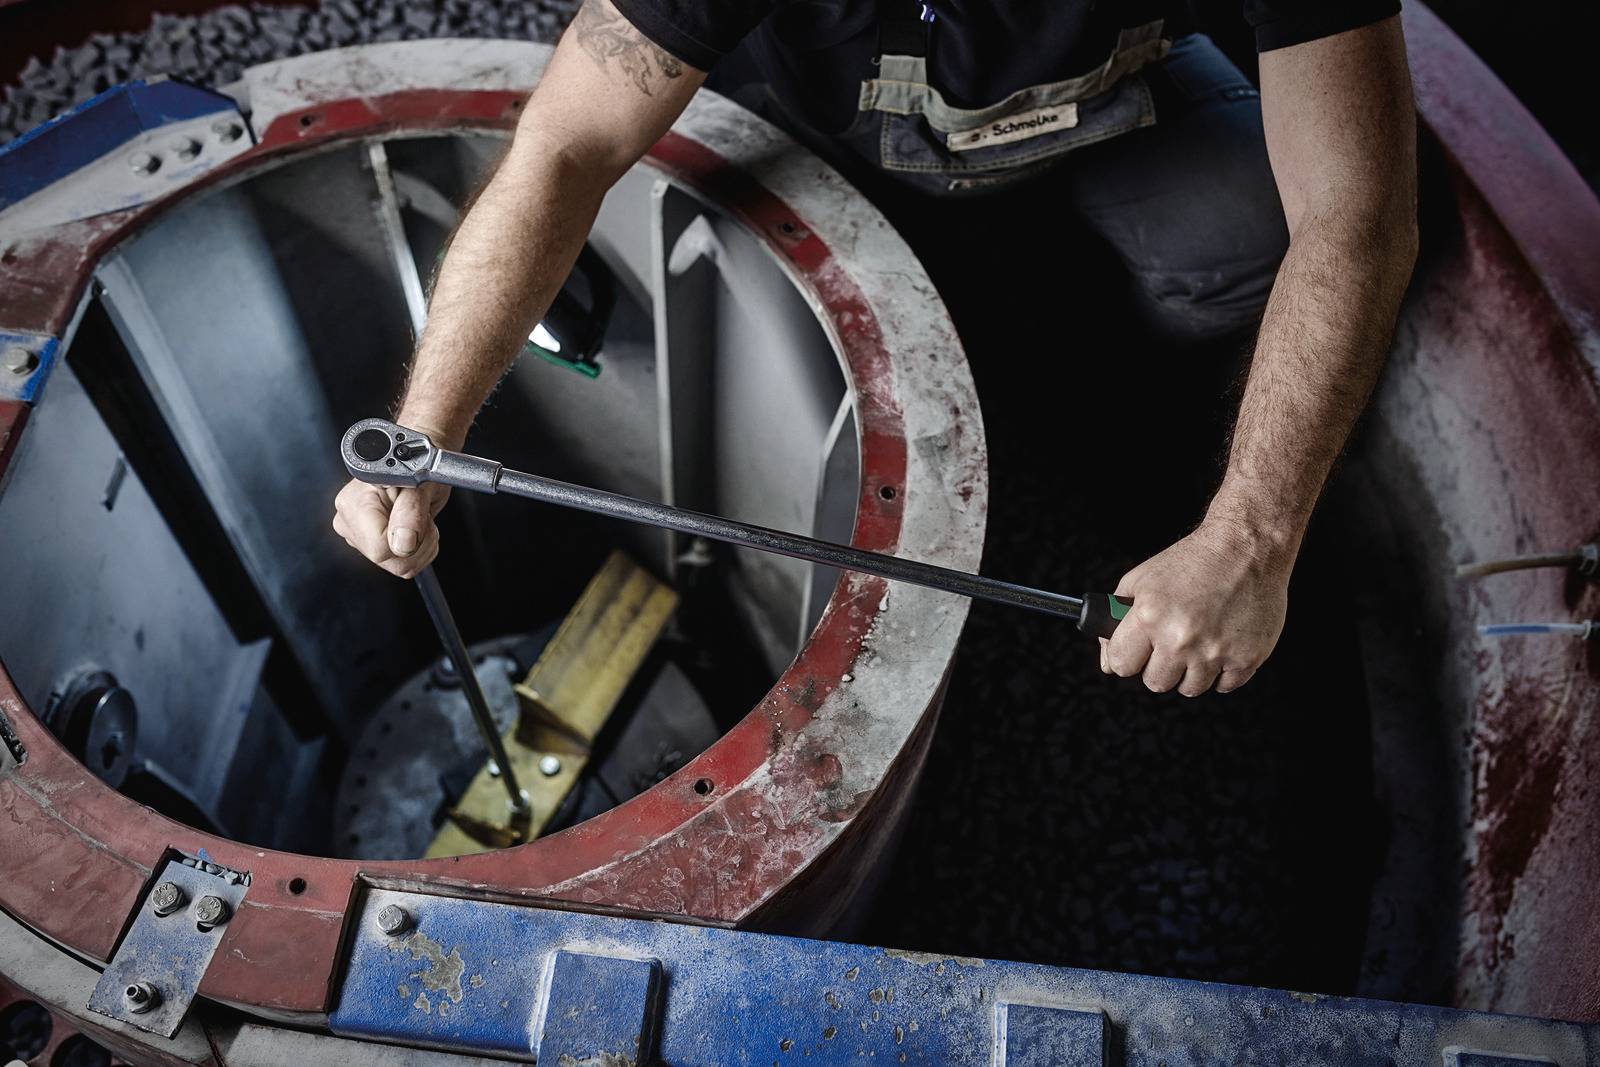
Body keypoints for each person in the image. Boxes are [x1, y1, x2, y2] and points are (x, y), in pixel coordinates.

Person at [332, 0, 1418, 697]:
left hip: (1106, 123)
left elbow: (1356, 212)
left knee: (1239, 232)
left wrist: (1248, 539)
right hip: (831, 146)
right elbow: (566, 146)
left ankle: (1129, 394)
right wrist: (427, 431)